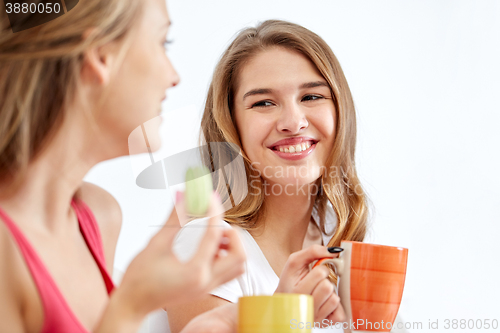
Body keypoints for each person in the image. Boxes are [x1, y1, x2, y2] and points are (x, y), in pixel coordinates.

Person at [0, 0, 245, 332]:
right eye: (163, 42)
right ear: (100, 55)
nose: (174, 77)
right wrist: (132, 303)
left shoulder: (99, 216)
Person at [166, 20, 369, 332]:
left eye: (312, 96)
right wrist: (281, 317)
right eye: (263, 103)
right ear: (231, 126)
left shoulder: (339, 237)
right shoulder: (206, 246)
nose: (293, 122)